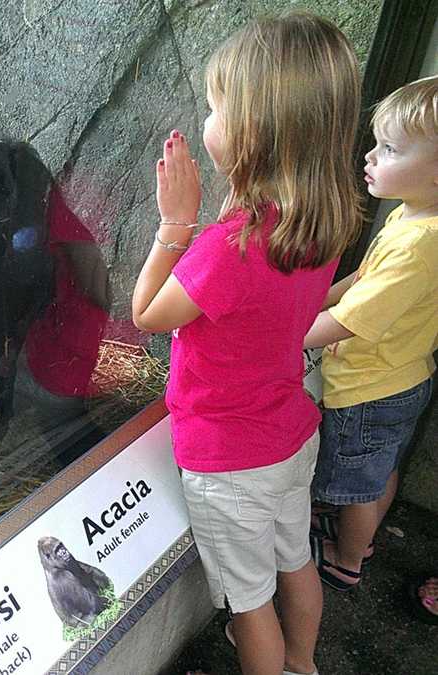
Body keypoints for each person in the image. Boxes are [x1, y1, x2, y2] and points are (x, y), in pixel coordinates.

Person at [131, 13, 362, 675]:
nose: (207, 118)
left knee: (248, 604)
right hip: (291, 435)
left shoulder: (227, 248)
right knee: (297, 560)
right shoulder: (327, 216)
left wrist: (175, 224)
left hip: (230, 463)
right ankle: (305, 661)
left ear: (252, 130)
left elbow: (147, 312)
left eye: (215, 107)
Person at [304, 75, 438, 591]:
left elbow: (349, 322)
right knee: (382, 469)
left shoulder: (415, 247)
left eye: (389, 149)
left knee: (359, 485)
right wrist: (318, 296)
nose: (370, 157)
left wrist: (282, 336)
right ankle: (365, 534)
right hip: (405, 378)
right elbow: (364, 280)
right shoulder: (415, 216)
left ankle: (346, 558)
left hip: (369, 389)